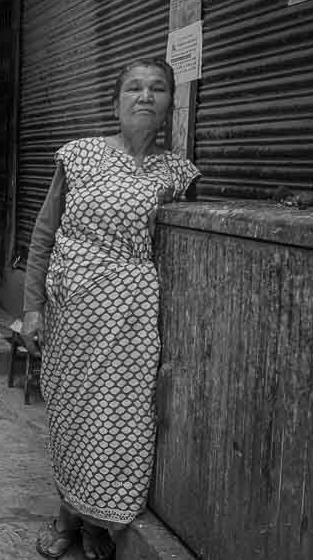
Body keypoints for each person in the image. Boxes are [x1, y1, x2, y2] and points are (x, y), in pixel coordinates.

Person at [22, 58, 200, 560]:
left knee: (118, 419)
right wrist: (32, 308)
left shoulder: (177, 172)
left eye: (158, 88)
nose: (146, 96)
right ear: (115, 101)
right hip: (71, 307)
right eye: (134, 88)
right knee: (73, 416)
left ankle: (96, 521)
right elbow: (43, 231)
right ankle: (67, 515)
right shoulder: (79, 156)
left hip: (131, 315)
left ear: (170, 103)